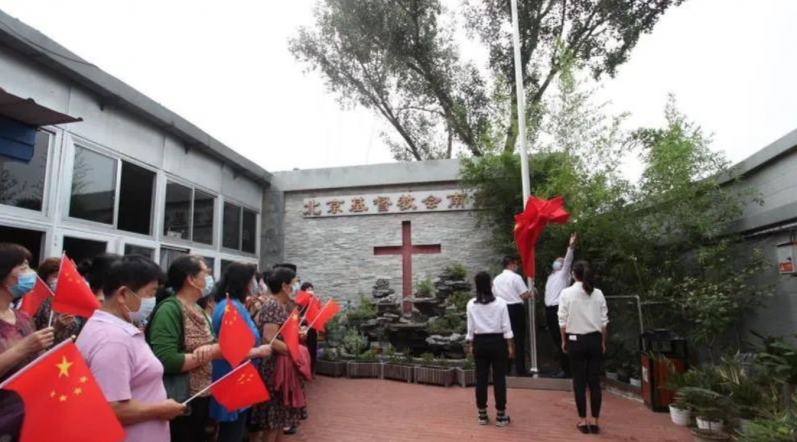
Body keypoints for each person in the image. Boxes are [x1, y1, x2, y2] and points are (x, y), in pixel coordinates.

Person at [76, 255, 186, 442]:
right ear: (123, 294)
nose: (152, 301)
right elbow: (111, 408)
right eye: (150, 294)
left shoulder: (112, 329)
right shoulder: (113, 339)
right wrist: (161, 409)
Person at [147, 256, 221, 442]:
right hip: (180, 399)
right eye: (206, 273)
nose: (209, 278)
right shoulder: (169, 310)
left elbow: (216, 344)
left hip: (201, 394)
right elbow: (166, 359)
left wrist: (212, 349)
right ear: (191, 279)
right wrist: (208, 353)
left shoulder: (199, 309)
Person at [210, 262, 272, 442]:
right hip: (232, 376)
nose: (255, 285)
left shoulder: (232, 304)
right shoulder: (231, 307)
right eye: (253, 280)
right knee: (231, 433)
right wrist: (259, 351)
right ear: (243, 282)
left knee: (236, 430)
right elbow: (232, 350)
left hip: (238, 375)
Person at [0, 243, 55, 438]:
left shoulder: (22, 317)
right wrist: (23, 349)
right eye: (23, 267)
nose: (30, 273)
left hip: (27, 420)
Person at [249, 266, 306, 442]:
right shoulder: (273, 305)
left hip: (283, 366)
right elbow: (269, 339)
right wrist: (294, 351)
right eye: (294, 283)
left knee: (280, 419)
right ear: (284, 285)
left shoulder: (283, 305)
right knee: (272, 421)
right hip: (274, 369)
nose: (297, 287)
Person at [558, 261, 609, 435]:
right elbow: (604, 321)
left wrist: (563, 341)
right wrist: (602, 342)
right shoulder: (598, 293)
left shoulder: (566, 293)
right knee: (594, 382)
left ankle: (582, 420)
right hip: (594, 340)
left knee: (579, 382)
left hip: (575, 340)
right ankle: (595, 422)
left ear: (573, 274)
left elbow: (562, 321)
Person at [467, 271, 514, 427]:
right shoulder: (500, 303)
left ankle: (482, 414)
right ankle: (501, 415)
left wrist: (471, 345)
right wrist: (509, 346)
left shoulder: (471, 304)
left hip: (480, 343)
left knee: (481, 379)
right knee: (499, 379)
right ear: (490, 285)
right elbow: (506, 326)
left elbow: (471, 329)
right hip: (498, 342)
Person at [491, 256, 531, 376]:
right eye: (516, 264)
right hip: (515, 309)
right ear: (511, 264)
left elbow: (494, 295)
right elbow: (524, 295)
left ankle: (506, 369)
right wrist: (532, 292)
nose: (517, 266)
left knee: (505, 339)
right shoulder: (516, 277)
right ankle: (520, 370)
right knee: (518, 339)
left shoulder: (496, 279)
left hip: (502, 310)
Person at [544, 234, 577, 378]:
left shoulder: (563, 274)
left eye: (560, 261)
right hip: (549, 310)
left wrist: (571, 247)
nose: (558, 262)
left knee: (562, 339)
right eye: (557, 261)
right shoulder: (551, 276)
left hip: (558, 309)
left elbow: (568, 260)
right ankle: (564, 367)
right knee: (556, 340)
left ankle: (568, 369)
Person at [34, 257, 81, 344]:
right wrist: (56, 327)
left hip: (70, 353)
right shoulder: (39, 303)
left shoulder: (76, 302)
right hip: (46, 354)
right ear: (45, 279)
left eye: (64, 275)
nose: (60, 279)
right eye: (55, 276)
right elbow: (32, 335)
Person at [299, 282, 318, 377]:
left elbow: (317, 313)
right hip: (302, 329)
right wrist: (302, 319)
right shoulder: (299, 303)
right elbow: (297, 315)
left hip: (312, 328)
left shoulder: (314, 301)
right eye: (308, 289)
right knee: (304, 349)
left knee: (313, 348)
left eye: (311, 289)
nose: (310, 291)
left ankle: (312, 369)